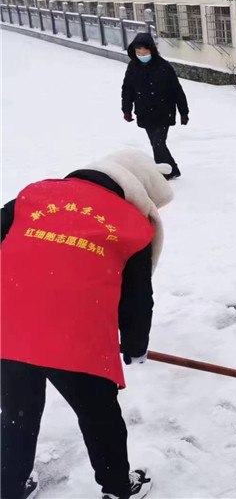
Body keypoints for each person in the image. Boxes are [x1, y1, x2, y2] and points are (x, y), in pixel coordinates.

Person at [1, 150, 173, 499]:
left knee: (17, 414)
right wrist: (136, 346)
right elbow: (136, 299)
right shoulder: (132, 223)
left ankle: (9, 486)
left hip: (9, 329)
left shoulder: (30, 197)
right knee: (100, 418)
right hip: (77, 340)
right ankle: (117, 488)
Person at [122, 33, 189, 181]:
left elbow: (177, 90)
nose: (141, 55)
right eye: (138, 53)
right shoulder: (133, 66)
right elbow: (127, 89)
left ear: (151, 50)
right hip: (144, 112)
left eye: (144, 52)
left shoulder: (164, 67)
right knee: (155, 143)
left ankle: (164, 172)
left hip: (163, 112)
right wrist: (126, 110)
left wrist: (183, 112)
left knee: (159, 143)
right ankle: (172, 169)